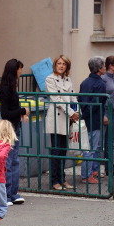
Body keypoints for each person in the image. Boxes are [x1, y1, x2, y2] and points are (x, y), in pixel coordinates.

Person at [44, 55, 79, 190]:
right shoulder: (50, 79)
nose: (61, 66)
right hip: (57, 118)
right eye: (59, 63)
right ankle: (54, 180)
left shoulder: (68, 79)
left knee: (63, 151)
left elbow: (74, 97)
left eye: (64, 64)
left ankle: (62, 178)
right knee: (56, 151)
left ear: (67, 66)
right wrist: (72, 113)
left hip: (68, 118)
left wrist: (78, 111)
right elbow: (57, 99)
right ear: (55, 65)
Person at [0, 58, 29, 205]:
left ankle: (13, 193)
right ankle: (7, 193)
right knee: (8, 161)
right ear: (14, 70)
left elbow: (11, 109)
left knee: (14, 160)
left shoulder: (12, 87)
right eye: (19, 69)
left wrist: (21, 113)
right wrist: (22, 110)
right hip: (9, 129)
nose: (21, 71)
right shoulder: (4, 88)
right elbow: (5, 113)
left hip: (15, 127)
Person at [78, 56, 109, 184]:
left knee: (86, 147)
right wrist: (87, 114)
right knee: (91, 149)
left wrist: (83, 115)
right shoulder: (100, 84)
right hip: (94, 119)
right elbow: (97, 103)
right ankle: (87, 175)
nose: (105, 68)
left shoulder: (85, 82)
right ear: (99, 69)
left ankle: (87, 173)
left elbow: (81, 100)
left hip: (84, 118)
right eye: (103, 66)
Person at [101, 55, 114, 176]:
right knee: (101, 140)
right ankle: (98, 167)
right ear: (111, 66)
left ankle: (110, 168)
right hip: (105, 112)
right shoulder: (103, 79)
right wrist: (103, 114)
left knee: (110, 140)